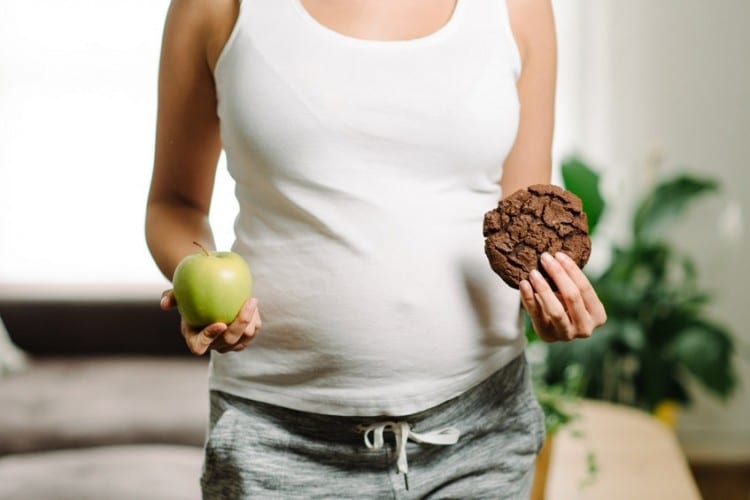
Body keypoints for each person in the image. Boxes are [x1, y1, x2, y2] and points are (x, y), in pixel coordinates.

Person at [146, 0, 607, 498]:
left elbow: (523, 222)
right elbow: (173, 202)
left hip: (478, 436)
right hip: (276, 443)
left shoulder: (519, 8)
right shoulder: (215, 7)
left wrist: (554, 301)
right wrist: (194, 276)